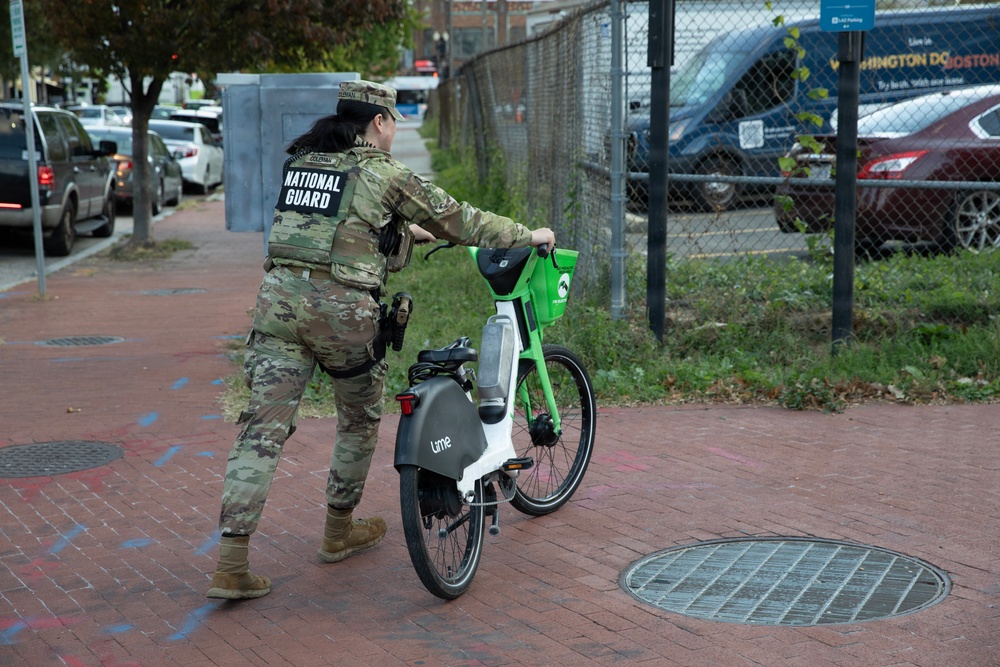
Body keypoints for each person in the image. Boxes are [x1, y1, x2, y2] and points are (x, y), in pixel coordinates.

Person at [206, 80, 556, 599]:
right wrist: (529, 235)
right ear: (379, 123)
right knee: (358, 418)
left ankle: (230, 565)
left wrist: (403, 235)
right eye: (395, 122)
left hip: (277, 306)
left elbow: (331, 231)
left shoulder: (304, 161)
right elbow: (462, 220)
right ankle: (337, 530)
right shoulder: (384, 173)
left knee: (261, 431)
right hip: (342, 314)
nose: (396, 131)